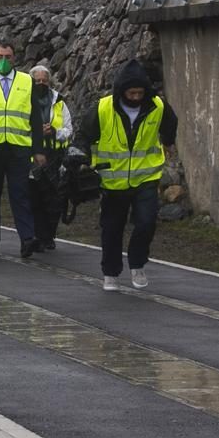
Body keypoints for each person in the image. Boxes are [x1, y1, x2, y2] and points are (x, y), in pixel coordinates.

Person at [70, 59, 177, 291]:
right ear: (121, 91)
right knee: (112, 227)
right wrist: (79, 155)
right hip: (112, 180)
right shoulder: (102, 108)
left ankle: (137, 263)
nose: (136, 97)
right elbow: (83, 135)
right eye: (132, 92)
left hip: (146, 177)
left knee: (147, 222)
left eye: (140, 92)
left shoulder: (158, 106)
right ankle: (110, 272)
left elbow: (170, 124)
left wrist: (168, 141)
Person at [0, 42, 46, 258]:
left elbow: (35, 118)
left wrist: (38, 149)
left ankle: (27, 239)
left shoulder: (26, 81)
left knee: (20, 194)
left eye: (8, 56)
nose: (4, 60)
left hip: (18, 148)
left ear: (15, 59)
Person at [27, 65, 73, 251]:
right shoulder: (24, 102)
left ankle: (49, 235)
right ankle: (38, 235)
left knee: (55, 200)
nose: (41, 84)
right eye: (37, 81)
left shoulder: (60, 103)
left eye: (44, 81)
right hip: (32, 158)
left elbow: (69, 130)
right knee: (34, 198)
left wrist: (53, 132)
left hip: (55, 158)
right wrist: (36, 132)